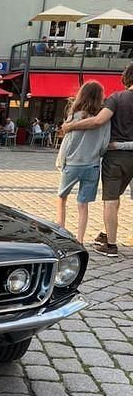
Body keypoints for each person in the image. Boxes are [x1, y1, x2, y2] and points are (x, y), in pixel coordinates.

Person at [62, 62, 133, 257]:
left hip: (116, 158)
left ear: (127, 77)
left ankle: (110, 245)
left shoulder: (117, 98)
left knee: (110, 199)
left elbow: (98, 121)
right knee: (116, 196)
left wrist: (71, 127)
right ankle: (106, 233)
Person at [56, 81, 110, 244]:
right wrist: (96, 153)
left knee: (62, 197)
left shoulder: (75, 117)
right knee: (83, 203)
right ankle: (79, 239)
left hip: (72, 163)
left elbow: (67, 143)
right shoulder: (104, 119)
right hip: (92, 164)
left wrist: (61, 162)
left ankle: (61, 231)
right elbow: (104, 144)